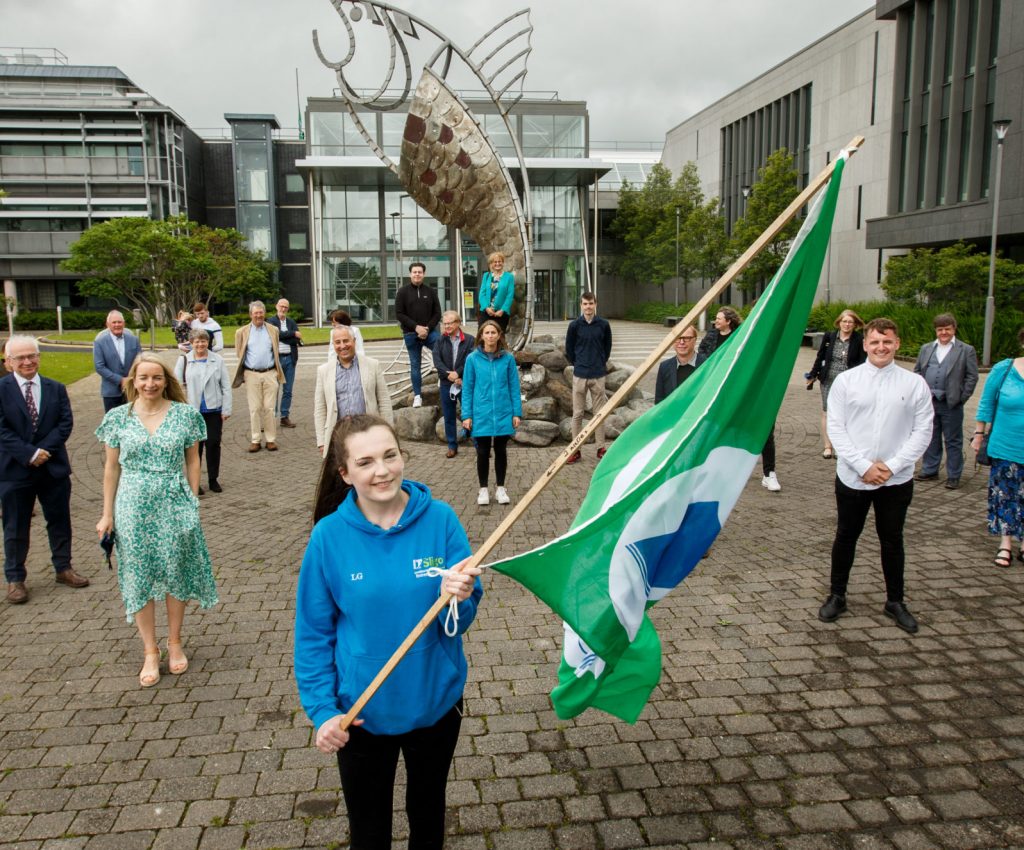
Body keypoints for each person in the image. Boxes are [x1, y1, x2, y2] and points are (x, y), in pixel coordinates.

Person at [295, 414, 482, 850]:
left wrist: (460, 597)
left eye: (390, 455)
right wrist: (322, 710)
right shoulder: (327, 538)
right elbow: (313, 634)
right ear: (344, 473)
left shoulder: (440, 519)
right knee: (369, 829)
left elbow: (464, 617)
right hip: (359, 714)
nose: (382, 471)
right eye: (365, 462)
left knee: (428, 814)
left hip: (435, 704)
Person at [96, 353, 217, 686]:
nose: (150, 384)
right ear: (133, 381)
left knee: (175, 571)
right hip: (132, 506)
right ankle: (150, 649)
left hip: (173, 500)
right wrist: (107, 514)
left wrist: (192, 499)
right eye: (144, 378)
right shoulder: (118, 418)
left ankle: (174, 642)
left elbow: (193, 460)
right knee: (138, 575)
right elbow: (111, 468)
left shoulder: (185, 416)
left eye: (157, 378)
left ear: (167, 381)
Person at [818, 318, 933, 634]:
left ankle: (895, 601)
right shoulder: (846, 381)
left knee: (892, 540)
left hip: (895, 480)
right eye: (875, 342)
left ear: (897, 344)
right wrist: (863, 466)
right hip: (854, 477)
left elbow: (923, 431)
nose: (881, 347)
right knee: (846, 536)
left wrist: (893, 466)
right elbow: (837, 428)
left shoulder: (914, 384)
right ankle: (837, 595)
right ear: (865, 344)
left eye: (887, 342)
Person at [1, 336, 89, 604]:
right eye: (20, 358)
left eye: (32, 355)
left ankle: (63, 568)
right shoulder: (1, 389)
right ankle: (15, 578)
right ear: (8, 362)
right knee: (15, 525)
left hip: (53, 468)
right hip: (15, 470)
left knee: (59, 520)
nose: (27, 361)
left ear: (39, 357)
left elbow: (65, 423)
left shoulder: (56, 388)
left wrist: (44, 451)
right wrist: (29, 453)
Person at [698, 306, 782, 491]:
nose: (715, 321)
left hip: (749, 389)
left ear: (729, 321)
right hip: (721, 390)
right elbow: (702, 355)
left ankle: (769, 474)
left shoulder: (745, 336)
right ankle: (717, 470)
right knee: (721, 428)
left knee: (765, 431)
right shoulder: (711, 336)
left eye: (719, 318)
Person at [970, 329, 1024, 568]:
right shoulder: (1004, 369)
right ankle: (1005, 544)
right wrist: (979, 434)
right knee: (1005, 495)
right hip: (1005, 445)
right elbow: (986, 403)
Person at [913, 313, 979, 490]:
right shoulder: (926, 348)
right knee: (930, 437)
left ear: (953, 329)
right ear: (936, 330)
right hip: (929, 402)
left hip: (952, 403)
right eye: (940, 329)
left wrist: (962, 398)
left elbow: (972, 377)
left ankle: (954, 475)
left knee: (953, 440)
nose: (943, 332)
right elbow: (917, 371)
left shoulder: (966, 350)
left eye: (947, 329)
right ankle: (930, 469)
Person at [462, 320, 522, 506]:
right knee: (482, 451)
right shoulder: (472, 359)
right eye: (486, 333)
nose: (490, 336)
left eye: (493, 333)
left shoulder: (508, 359)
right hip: (481, 413)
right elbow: (468, 388)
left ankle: (501, 488)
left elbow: (514, 386)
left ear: (499, 335)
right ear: (481, 336)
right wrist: (466, 415)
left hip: (504, 412)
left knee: (501, 451)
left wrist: (516, 413)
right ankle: (483, 490)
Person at [314, 325, 393, 455]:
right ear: (333, 344)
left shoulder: (373, 365)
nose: (342, 346)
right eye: (337, 342)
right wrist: (322, 441)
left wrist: (389, 434)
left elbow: (384, 401)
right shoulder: (323, 371)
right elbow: (320, 408)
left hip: (368, 433)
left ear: (354, 341)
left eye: (346, 341)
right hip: (338, 436)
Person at [173, 329, 232, 494]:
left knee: (213, 444)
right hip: (193, 411)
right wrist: (179, 411)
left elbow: (226, 385)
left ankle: (213, 479)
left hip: (214, 409)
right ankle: (195, 481)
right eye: (196, 341)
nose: (200, 344)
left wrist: (226, 408)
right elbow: (175, 386)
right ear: (191, 343)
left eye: (203, 341)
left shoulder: (217, 360)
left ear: (208, 342)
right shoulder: (184, 360)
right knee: (194, 448)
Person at [807, 309, 866, 459]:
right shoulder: (830, 337)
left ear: (855, 325)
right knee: (827, 412)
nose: (847, 325)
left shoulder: (859, 339)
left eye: (850, 322)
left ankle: (841, 447)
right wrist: (813, 374)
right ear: (839, 322)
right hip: (828, 379)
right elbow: (820, 357)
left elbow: (862, 362)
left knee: (845, 414)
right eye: (844, 321)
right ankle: (828, 446)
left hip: (849, 382)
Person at [564, 292, 612, 464]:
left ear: (595, 304)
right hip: (580, 375)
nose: (588, 307)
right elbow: (569, 349)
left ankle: (600, 448)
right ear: (581, 305)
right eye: (585, 304)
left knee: (599, 413)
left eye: (591, 303)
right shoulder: (574, 326)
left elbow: (607, 348)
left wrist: (599, 362)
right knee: (577, 413)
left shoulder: (604, 325)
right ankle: (575, 450)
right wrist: (579, 363)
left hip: (598, 374)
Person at [233, 301, 285, 453]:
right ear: (251, 315)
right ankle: (256, 439)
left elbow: (275, 351)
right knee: (254, 408)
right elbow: (239, 353)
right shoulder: (241, 332)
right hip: (251, 374)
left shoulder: (273, 330)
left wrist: (275, 373)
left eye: (261, 313)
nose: (258, 316)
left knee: (269, 408)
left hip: (270, 373)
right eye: (255, 313)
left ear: (264, 313)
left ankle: (270, 440)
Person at [394, 262, 441, 408]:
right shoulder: (402, 292)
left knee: (442, 351)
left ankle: (443, 378)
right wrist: (416, 328)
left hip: (430, 332)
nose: (417, 274)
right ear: (410, 274)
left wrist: (426, 328)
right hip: (410, 333)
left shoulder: (430, 291)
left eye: (420, 272)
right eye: (414, 272)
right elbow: (399, 314)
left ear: (424, 274)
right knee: (415, 365)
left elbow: (437, 313)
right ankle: (418, 396)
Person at [433, 311, 475, 458]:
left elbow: (470, 360)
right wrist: (449, 375)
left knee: (471, 413)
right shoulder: (439, 340)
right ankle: (452, 446)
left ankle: (478, 444)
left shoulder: (470, 340)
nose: (447, 326)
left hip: (465, 383)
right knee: (449, 415)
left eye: (450, 323)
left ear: (458, 323)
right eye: (445, 323)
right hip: (446, 383)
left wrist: (458, 373)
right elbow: (437, 361)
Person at [93, 310, 142, 412]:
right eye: (114, 322)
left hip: (132, 389)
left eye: (119, 322)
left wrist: (131, 379)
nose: (117, 325)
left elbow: (140, 361)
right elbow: (99, 367)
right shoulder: (100, 342)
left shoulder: (134, 340)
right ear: (107, 324)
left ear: (124, 323)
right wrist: (120, 380)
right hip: (111, 392)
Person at [267, 298, 303, 429]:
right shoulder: (271, 321)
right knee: (273, 389)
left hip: (290, 359)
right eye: (281, 306)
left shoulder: (291, 322)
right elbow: (276, 334)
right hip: (276, 360)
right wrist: (293, 334)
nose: (283, 309)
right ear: (276, 306)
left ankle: (284, 417)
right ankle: (270, 417)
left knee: (288, 390)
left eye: (286, 307)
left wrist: (287, 337)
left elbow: (296, 341)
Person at [655, 326, 705, 404]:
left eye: (687, 338)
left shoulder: (707, 364)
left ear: (695, 340)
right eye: (677, 338)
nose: (681, 342)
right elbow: (659, 400)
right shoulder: (664, 367)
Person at [477, 251, 515, 332]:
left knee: (499, 337)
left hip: (501, 313)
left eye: (499, 261)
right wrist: (486, 308)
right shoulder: (486, 276)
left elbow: (510, 296)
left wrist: (502, 310)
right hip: (486, 312)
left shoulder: (509, 277)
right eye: (495, 262)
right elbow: (482, 294)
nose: (497, 264)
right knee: (482, 336)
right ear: (491, 263)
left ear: (503, 263)